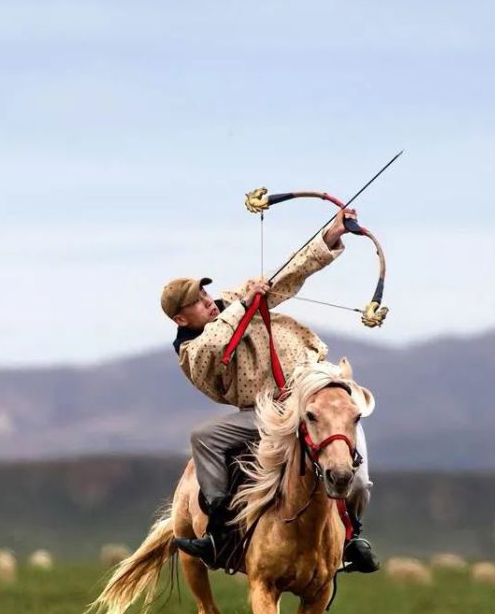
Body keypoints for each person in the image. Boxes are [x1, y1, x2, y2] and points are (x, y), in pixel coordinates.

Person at [159, 208, 379, 574]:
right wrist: (245, 303)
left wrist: (330, 236)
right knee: (204, 436)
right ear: (182, 319)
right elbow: (216, 344)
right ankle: (218, 530)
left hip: (314, 386)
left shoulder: (231, 303)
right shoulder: (191, 351)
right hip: (266, 411)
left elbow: (288, 273)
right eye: (197, 302)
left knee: (353, 469)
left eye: (205, 293)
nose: (208, 301)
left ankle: (353, 536)